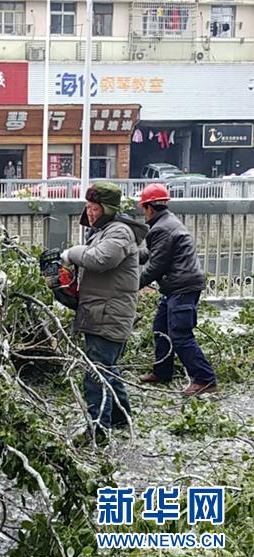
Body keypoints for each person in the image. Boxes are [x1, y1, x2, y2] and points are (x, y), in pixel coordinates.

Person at [61, 182, 149, 441]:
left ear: (108, 209)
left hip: (109, 312)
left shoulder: (119, 232)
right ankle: (122, 416)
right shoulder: (105, 231)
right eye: (87, 207)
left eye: (95, 208)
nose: (89, 213)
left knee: (96, 372)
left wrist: (70, 253)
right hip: (101, 310)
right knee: (107, 367)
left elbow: (99, 259)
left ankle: (98, 429)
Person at [137, 183, 217, 396]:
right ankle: (163, 371)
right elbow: (151, 253)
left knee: (180, 334)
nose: (143, 213)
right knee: (160, 328)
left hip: (182, 286)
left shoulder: (162, 227)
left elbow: (156, 266)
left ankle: (205, 379)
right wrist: (128, 255)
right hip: (177, 286)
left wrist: (131, 286)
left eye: (142, 209)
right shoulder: (167, 223)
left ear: (149, 207)